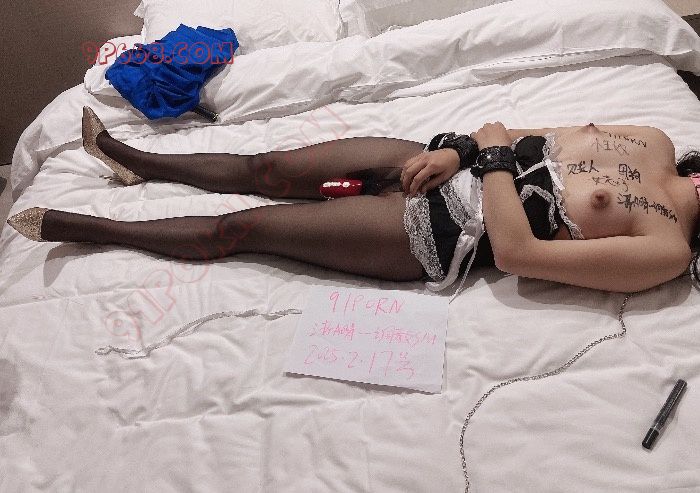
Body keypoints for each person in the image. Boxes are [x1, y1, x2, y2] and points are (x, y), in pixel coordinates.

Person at [7, 107, 700, 294]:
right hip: (434, 163)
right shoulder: (657, 139)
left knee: (245, 227)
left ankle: (90, 228)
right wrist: (461, 149)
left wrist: (488, 154)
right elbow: (519, 133)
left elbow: (520, 256)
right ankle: (134, 160)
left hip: (438, 231)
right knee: (267, 167)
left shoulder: (665, 251)